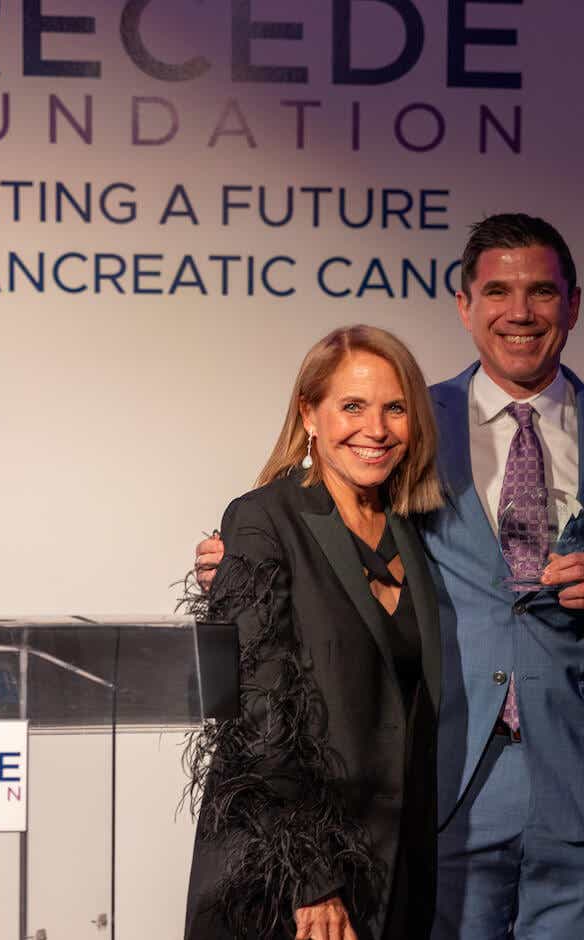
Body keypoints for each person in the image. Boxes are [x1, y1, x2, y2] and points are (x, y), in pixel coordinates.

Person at [198, 214, 584, 938]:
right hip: (442, 783)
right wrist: (239, 564)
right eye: (497, 291)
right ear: (465, 306)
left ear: (575, 304)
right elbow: (322, 528)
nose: (519, 313)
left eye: (541, 293)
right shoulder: (404, 422)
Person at [183, 325, 444, 940]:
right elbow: (258, 715)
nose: (375, 430)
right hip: (290, 874)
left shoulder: (420, 531)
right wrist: (312, 879)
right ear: (310, 414)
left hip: (393, 866)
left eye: (395, 408)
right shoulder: (261, 521)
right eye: (352, 406)